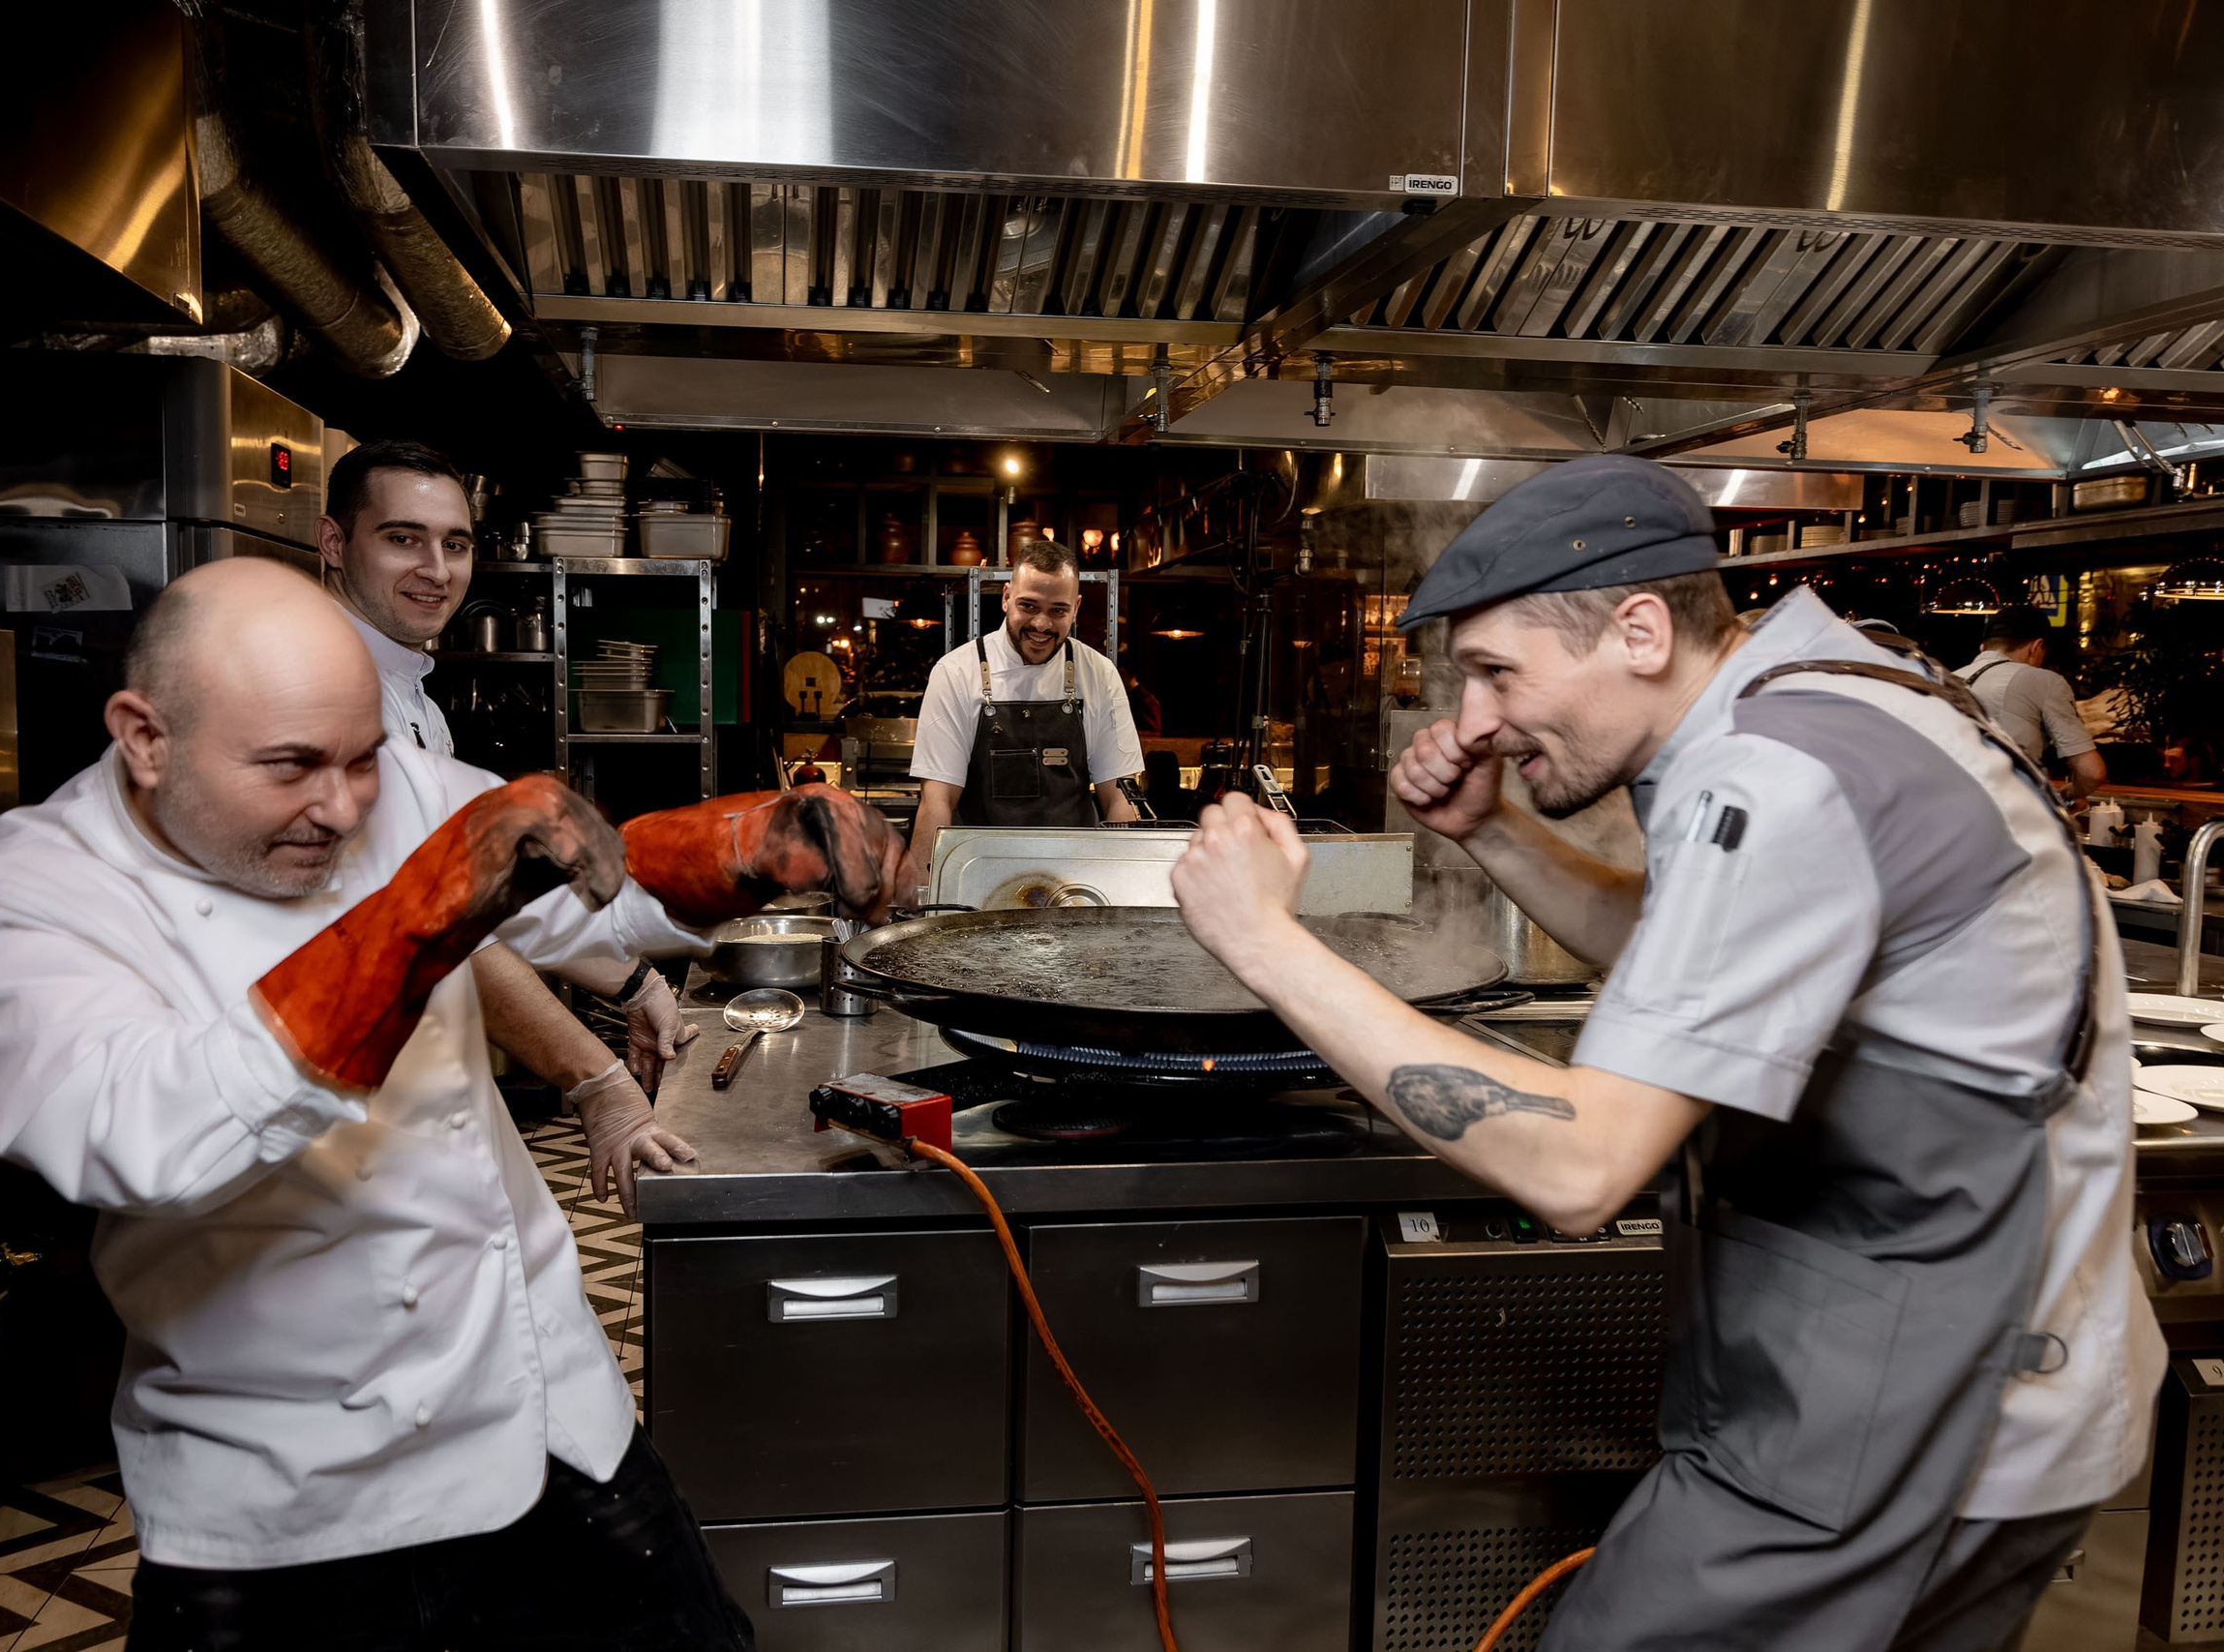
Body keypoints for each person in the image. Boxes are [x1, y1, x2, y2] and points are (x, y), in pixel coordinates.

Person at [1169, 455, 2160, 1652]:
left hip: (1924, 1424)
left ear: (1639, 631)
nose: (1472, 721)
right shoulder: (1837, 689)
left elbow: (1579, 1170)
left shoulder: (1778, 775)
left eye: (1496, 672)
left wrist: (1261, 941)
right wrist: (1495, 832)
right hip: (1938, 1388)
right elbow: (1716, 956)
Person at [0, 559, 908, 1649]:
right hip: (290, 1502)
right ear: (145, 737)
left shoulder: (388, 782)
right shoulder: (30, 899)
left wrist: (742, 850)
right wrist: (417, 918)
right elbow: (136, 1137)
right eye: (292, 767)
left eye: (361, 759)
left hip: (542, 1412)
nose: (344, 805)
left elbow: (595, 897)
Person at [317, 438, 693, 1216]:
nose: (435, 567)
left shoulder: (410, 697)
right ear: (333, 542)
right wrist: (597, 1079)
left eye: (454, 544)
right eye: (402, 538)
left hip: (416, 1085)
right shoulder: (329, 703)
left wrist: (637, 983)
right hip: (336, 1112)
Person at [908, 539, 1142, 875]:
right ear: (1006, 598)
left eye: (1058, 610)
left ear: (1076, 607)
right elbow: (937, 801)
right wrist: (923, 893)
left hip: (1074, 878)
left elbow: (1119, 796)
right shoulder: (956, 673)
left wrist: (1129, 879)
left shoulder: (1099, 674)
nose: (1042, 624)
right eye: (1029, 606)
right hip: (977, 875)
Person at [1956, 605, 2107, 804]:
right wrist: (2070, 792)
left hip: (1951, 806)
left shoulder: (1945, 680)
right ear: (2036, 647)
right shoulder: (2044, 681)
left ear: (1983, 647)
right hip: (2014, 809)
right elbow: (2091, 772)